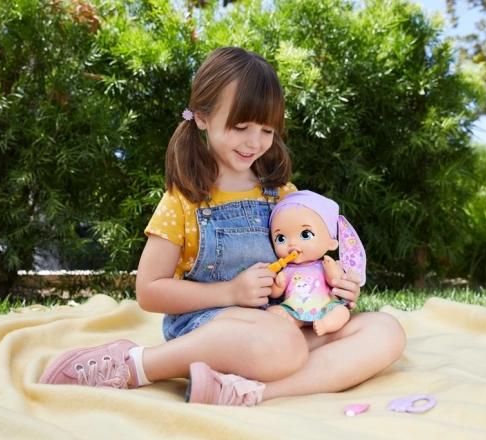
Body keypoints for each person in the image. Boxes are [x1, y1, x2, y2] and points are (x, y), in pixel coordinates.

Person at [39, 47, 406, 406]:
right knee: (282, 343)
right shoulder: (183, 201)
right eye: (241, 126)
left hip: (285, 325)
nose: (254, 142)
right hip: (214, 328)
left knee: (384, 330)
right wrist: (231, 292)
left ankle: (242, 392)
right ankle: (137, 364)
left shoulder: (284, 196)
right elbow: (149, 291)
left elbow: (307, 261)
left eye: (266, 130)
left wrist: (335, 291)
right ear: (202, 117)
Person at [267, 190, 367, 336]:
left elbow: (335, 281)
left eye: (305, 235)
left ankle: (326, 324)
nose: (292, 243)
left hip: (325, 307)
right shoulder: (286, 269)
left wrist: (331, 269)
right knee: (273, 311)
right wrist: (279, 284)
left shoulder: (323, 265)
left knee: (342, 311)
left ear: (331, 243)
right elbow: (275, 294)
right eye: (281, 238)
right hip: (294, 309)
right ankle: (293, 321)